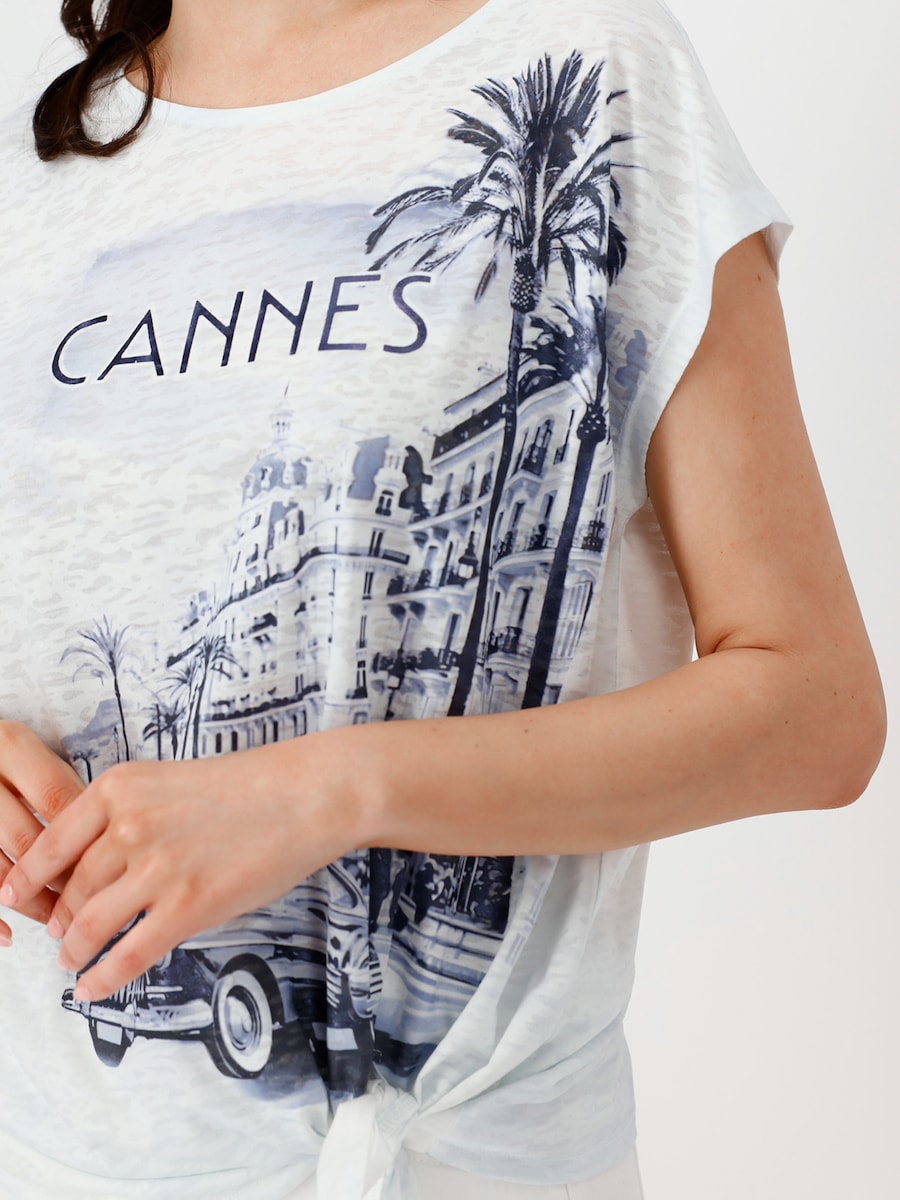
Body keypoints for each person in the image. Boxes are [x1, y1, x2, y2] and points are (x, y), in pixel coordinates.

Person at [0, 1, 885, 1197]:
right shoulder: (25, 166)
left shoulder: (593, 60)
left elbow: (816, 711)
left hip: (465, 1166)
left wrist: (327, 792)